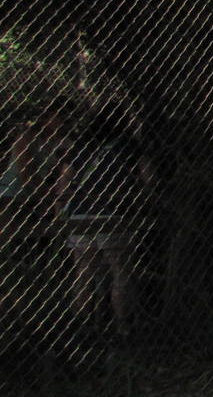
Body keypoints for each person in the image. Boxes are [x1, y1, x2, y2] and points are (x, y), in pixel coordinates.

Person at [59, 108, 153, 339]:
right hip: (113, 212)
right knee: (119, 270)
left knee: (84, 270)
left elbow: (63, 183)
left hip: (80, 213)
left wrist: (61, 210)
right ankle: (122, 326)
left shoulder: (81, 147)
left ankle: (82, 326)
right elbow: (149, 179)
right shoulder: (129, 147)